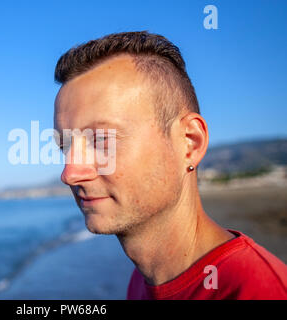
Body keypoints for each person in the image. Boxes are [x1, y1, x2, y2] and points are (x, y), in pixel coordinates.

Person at [53, 31, 287, 299]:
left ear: (190, 143)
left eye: (102, 140)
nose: (69, 174)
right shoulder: (142, 281)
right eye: (66, 147)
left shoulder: (258, 290)